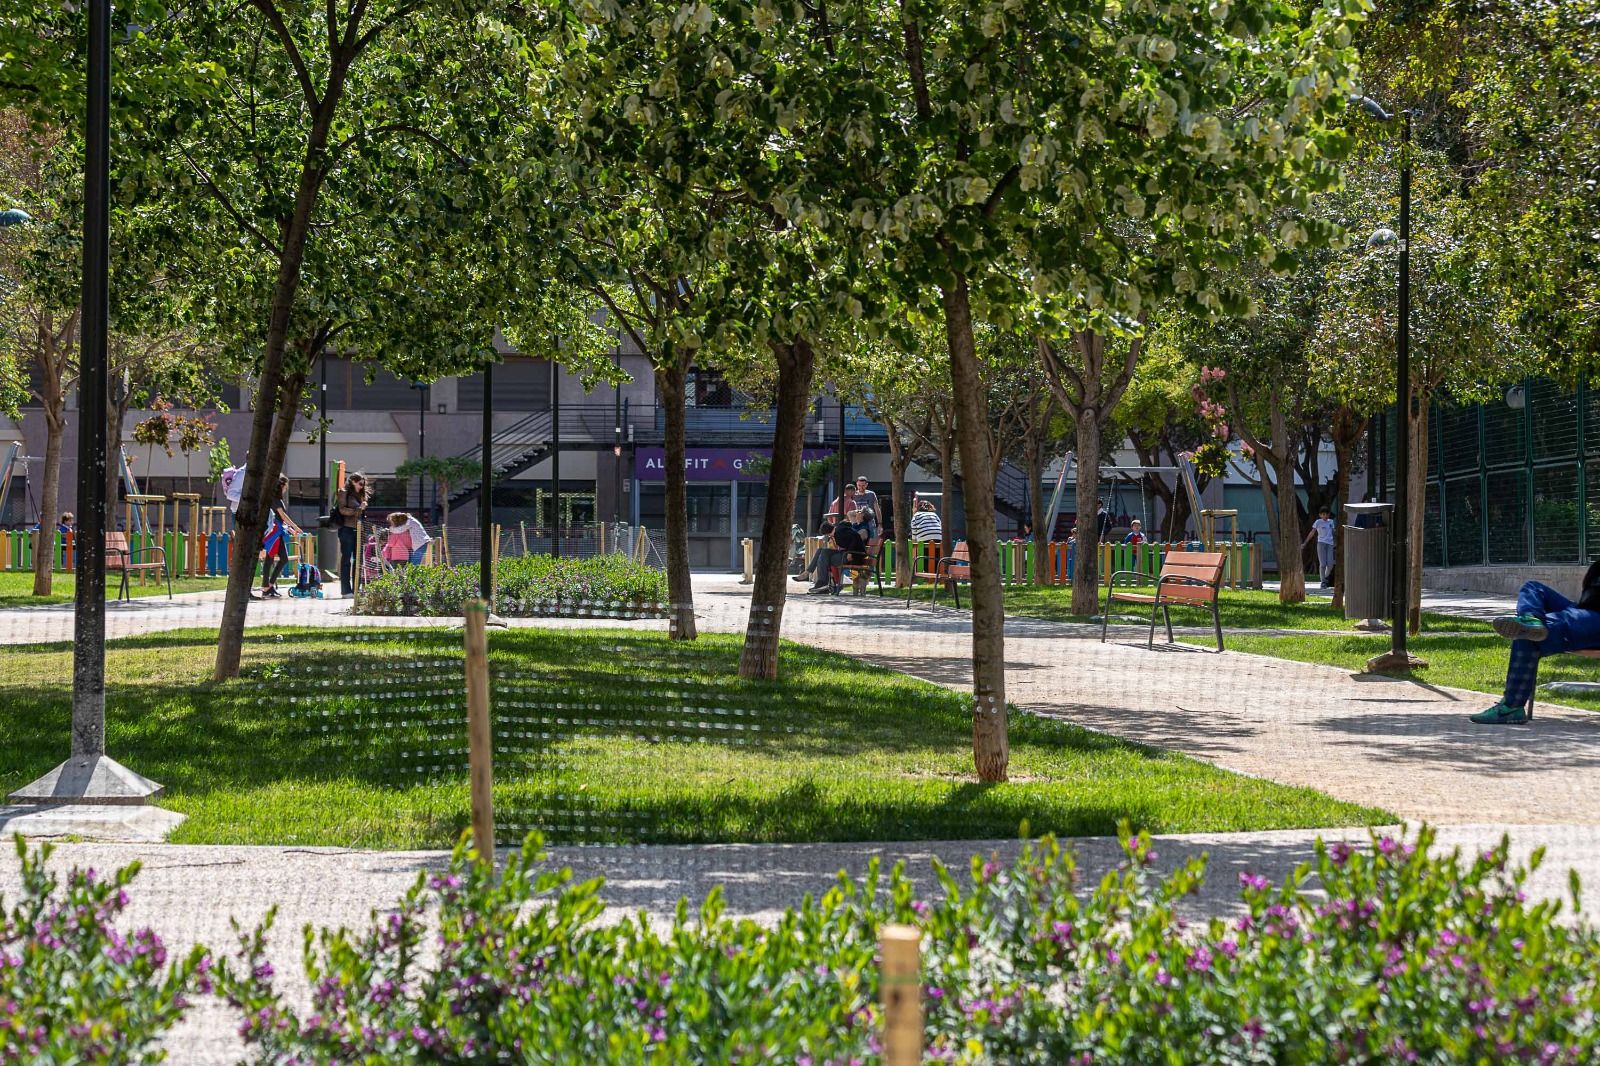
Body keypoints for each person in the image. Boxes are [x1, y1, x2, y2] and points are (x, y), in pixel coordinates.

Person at [1471, 560, 1600, 725]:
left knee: (1528, 634)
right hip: (1584, 611)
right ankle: (1532, 619)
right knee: (1532, 588)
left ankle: (1511, 706)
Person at [807, 511, 868, 595]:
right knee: (821, 551)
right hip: (848, 553)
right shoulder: (838, 530)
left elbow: (855, 536)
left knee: (824, 557)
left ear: (827, 533)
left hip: (855, 556)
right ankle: (819, 581)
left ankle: (822, 584)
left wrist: (850, 552)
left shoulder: (840, 531)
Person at [260, 474, 301, 598]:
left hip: (278, 532)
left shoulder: (276, 499)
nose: (286, 488)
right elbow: (282, 517)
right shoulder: (275, 500)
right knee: (270, 558)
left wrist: (289, 529)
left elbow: (280, 519)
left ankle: (269, 586)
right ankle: (266, 587)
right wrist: (295, 527)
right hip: (274, 533)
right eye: (286, 485)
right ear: (281, 485)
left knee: (282, 559)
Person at [333, 472, 369, 596]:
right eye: (360, 484)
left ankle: (356, 589)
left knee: (359, 561)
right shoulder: (343, 492)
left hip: (359, 530)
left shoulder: (360, 495)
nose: (361, 486)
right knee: (346, 560)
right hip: (347, 529)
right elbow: (342, 510)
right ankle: (346, 590)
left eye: (363, 485)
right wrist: (360, 509)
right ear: (353, 481)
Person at [1304, 506, 1336, 588]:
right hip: (1321, 543)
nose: (1325, 516)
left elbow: (1333, 532)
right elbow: (1312, 532)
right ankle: (1323, 581)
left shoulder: (1331, 522)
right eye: (1323, 514)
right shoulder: (1318, 522)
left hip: (1330, 544)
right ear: (1320, 515)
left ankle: (1325, 578)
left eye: (1326, 514)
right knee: (1322, 564)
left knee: (1330, 564)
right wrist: (1305, 543)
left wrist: (1336, 542)